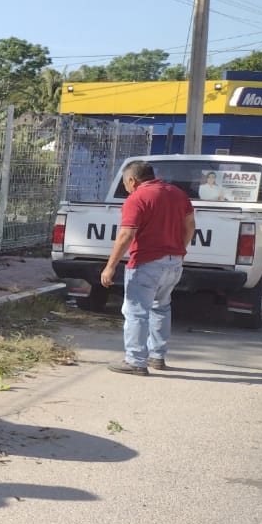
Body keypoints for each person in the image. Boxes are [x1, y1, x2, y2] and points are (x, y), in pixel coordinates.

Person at [100, 160, 195, 376]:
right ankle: (157, 356)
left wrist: (110, 267)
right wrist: (179, 249)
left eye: (126, 184)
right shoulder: (178, 194)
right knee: (161, 307)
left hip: (147, 263)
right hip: (174, 262)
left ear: (133, 180)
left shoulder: (137, 198)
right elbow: (190, 226)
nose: (126, 189)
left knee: (136, 312)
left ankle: (135, 361)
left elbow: (126, 234)